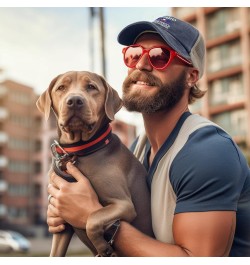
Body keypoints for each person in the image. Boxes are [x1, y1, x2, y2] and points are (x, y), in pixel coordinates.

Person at [47, 15, 250, 257]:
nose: (141, 64)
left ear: (191, 76)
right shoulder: (136, 149)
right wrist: (67, 211)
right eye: (134, 54)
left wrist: (93, 216)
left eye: (159, 56)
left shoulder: (207, 151)